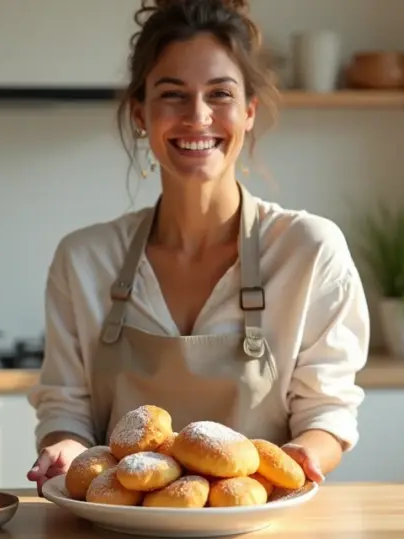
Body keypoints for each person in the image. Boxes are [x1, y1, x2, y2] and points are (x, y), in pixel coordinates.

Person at [26, 0, 369, 495]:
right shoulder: (83, 260)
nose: (198, 116)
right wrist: (66, 449)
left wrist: (303, 455)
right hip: (117, 527)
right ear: (140, 113)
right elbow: (66, 409)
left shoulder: (308, 251)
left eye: (220, 93)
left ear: (249, 111)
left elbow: (328, 412)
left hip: (258, 522)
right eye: (173, 94)